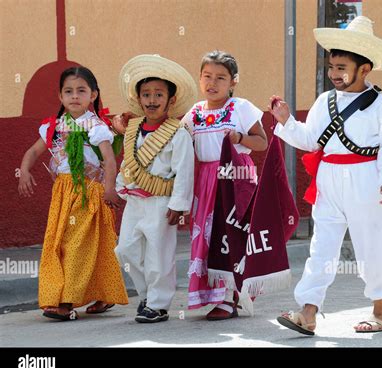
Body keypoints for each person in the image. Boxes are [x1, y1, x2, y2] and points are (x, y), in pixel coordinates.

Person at [269, 16, 382, 335]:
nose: (334, 74)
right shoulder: (323, 101)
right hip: (329, 180)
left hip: (365, 179)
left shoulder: (380, 105)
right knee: (322, 246)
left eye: (342, 67)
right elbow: (311, 140)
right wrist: (287, 121)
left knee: (371, 245)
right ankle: (308, 312)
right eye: (332, 67)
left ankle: (381, 312)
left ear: (364, 69)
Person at [18, 66, 128, 321]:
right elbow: (34, 152)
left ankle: (66, 301)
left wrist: (110, 188)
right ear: (60, 96)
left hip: (89, 191)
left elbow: (110, 160)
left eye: (81, 91)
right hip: (62, 194)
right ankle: (104, 294)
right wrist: (24, 170)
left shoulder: (96, 126)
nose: (74, 96)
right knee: (67, 245)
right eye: (68, 91)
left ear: (93, 95)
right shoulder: (53, 127)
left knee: (78, 245)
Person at [181, 50, 268, 320]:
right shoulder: (194, 113)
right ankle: (217, 296)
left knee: (232, 237)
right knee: (209, 238)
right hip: (206, 182)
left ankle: (231, 299)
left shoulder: (241, 108)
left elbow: (262, 142)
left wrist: (240, 136)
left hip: (235, 180)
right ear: (199, 78)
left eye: (221, 77)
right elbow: (178, 143)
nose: (213, 83)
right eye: (207, 76)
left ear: (233, 82)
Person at [114, 54, 196, 323]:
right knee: (125, 249)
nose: (151, 100)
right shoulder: (134, 128)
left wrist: (179, 204)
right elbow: (129, 160)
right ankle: (147, 294)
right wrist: (121, 185)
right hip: (135, 201)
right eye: (146, 94)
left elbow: (184, 170)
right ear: (138, 99)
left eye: (158, 94)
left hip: (162, 202)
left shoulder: (178, 133)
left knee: (159, 254)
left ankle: (158, 304)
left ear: (170, 100)